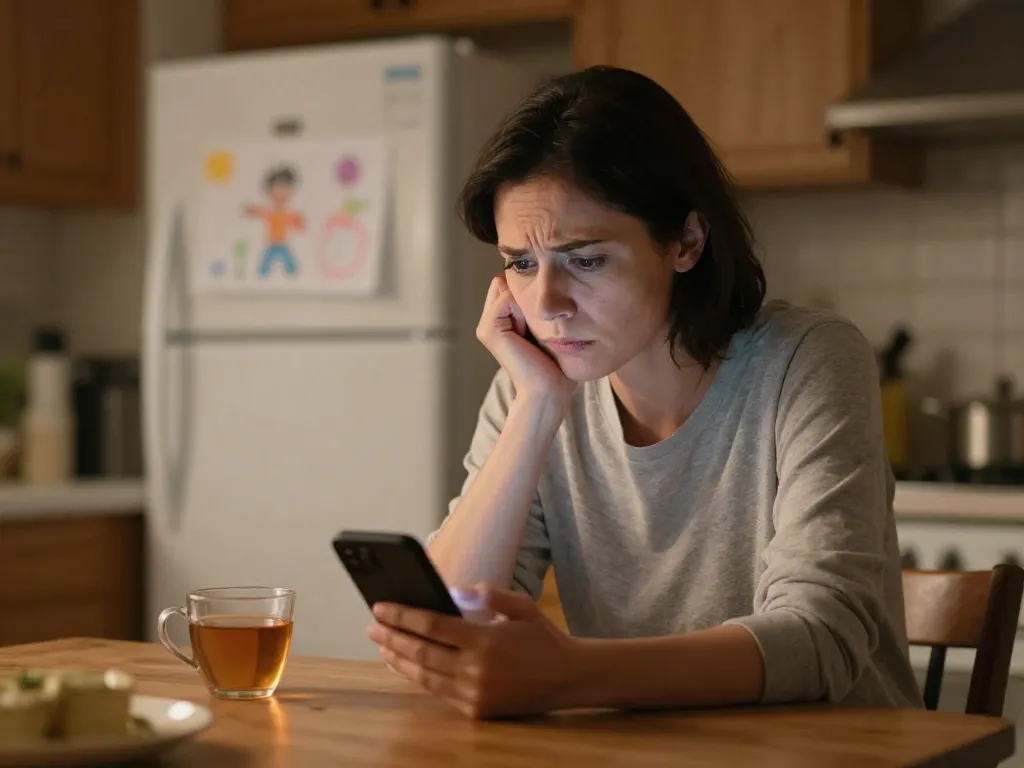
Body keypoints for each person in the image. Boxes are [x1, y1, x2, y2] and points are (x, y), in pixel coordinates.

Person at [365, 65, 924, 719]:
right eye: (520, 262)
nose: (546, 304)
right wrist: (538, 408)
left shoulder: (807, 359)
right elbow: (449, 624)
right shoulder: (533, 385)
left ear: (685, 241)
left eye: (586, 259)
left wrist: (570, 675)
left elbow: (823, 638)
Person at [244, 165, 305, 277]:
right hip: (272, 243)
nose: (281, 192)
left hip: (282, 242)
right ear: (269, 190)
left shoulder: (287, 213)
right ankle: (263, 273)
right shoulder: (270, 212)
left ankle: (291, 272)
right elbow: (260, 212)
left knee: (291, 265)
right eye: (278, 187)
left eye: (286, 188)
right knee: (264, 266)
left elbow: (296, 222)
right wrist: (252, 211)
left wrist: (299, 223)